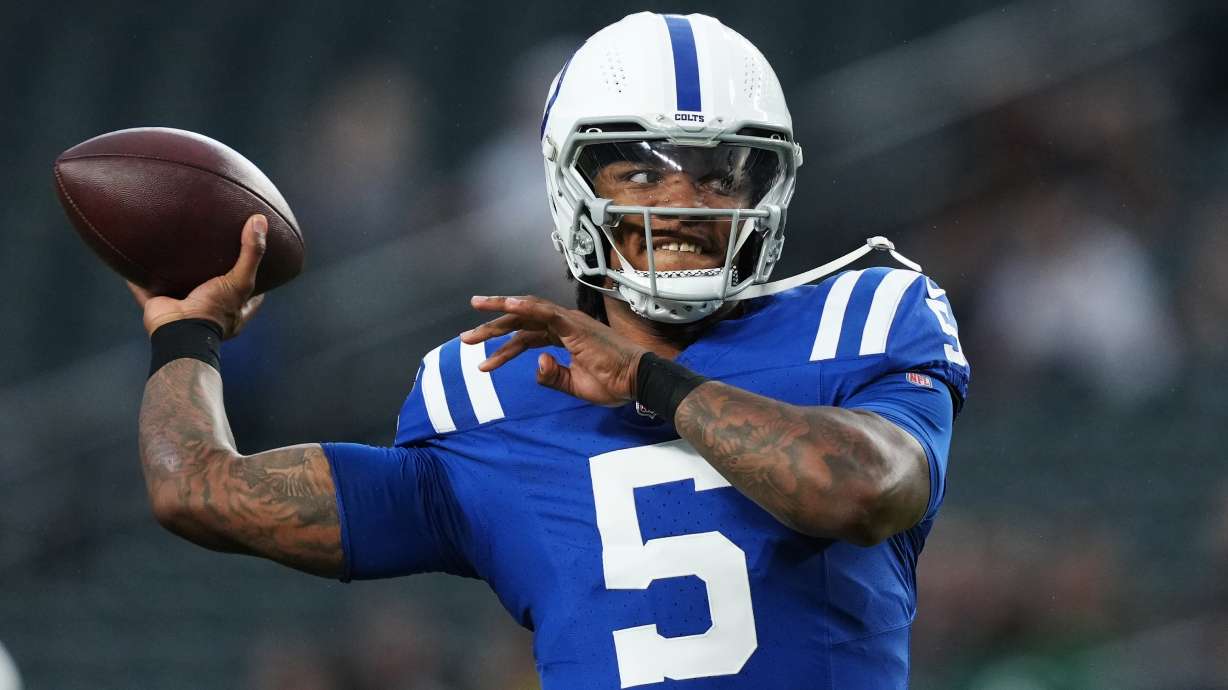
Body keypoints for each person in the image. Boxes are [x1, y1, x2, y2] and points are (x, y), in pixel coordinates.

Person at [130, 12, 969, 689]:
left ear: (768, 188)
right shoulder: (486, 391)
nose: (685, 204)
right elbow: (198, 491)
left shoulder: (863, 316)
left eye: (720, 174)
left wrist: (648, 380)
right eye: (641, 175)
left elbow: (859, 489)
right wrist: (185, 333)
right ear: (571, 189)